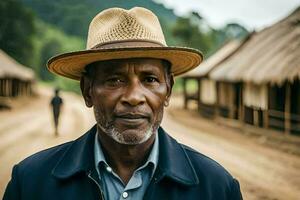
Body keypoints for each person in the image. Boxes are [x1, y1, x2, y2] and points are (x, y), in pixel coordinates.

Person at [3, 7, 243, 200]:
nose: (134, 97)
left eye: (150, 79)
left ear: (168, 90)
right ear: (87, 90)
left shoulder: (217, 188)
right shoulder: (30, 183)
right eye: (114, 79)